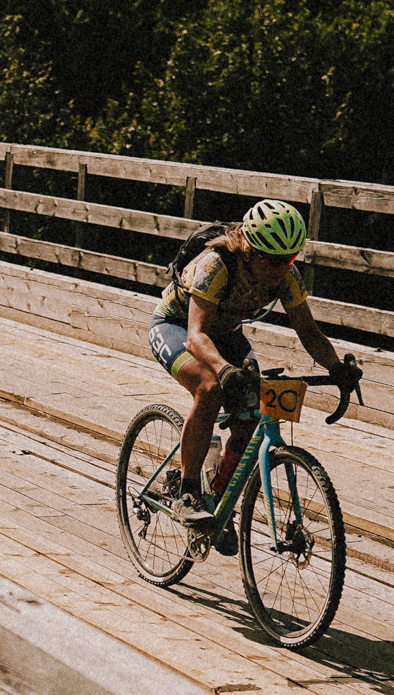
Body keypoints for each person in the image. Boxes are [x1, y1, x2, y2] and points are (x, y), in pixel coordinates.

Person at [148, 198, 357, 528]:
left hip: (228, 335)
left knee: (251, 417)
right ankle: (187, 493)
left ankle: (218, 495)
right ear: (248, 250)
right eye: (271, 261)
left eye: (288, 260)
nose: (279, 269)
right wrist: (222, 368)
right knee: (209, 387)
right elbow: (196, 335)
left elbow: (309, 331)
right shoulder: (215, 265)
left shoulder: (286, 276)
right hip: (176, 327)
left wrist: (336, 369)